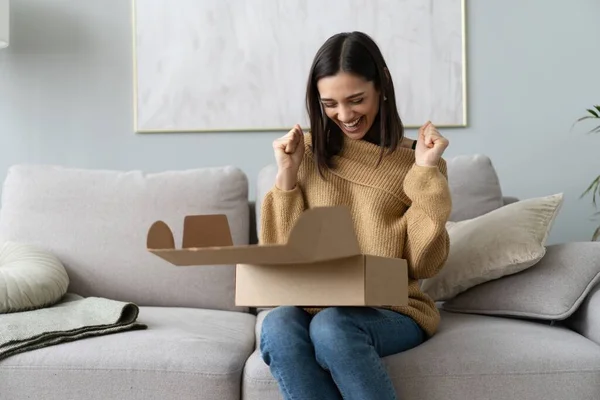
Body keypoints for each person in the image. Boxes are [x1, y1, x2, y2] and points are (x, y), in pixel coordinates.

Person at [258, 31, 452, 400]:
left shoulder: (417, 161)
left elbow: (425, 264)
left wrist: (426, 173)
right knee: (279, 324)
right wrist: (286, 176)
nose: (344, 115)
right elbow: (279, 258)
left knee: (333, 326)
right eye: (329, 103)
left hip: (394, 309)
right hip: (315, 304)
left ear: (382, 86)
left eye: (356, 100)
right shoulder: (306, 152)